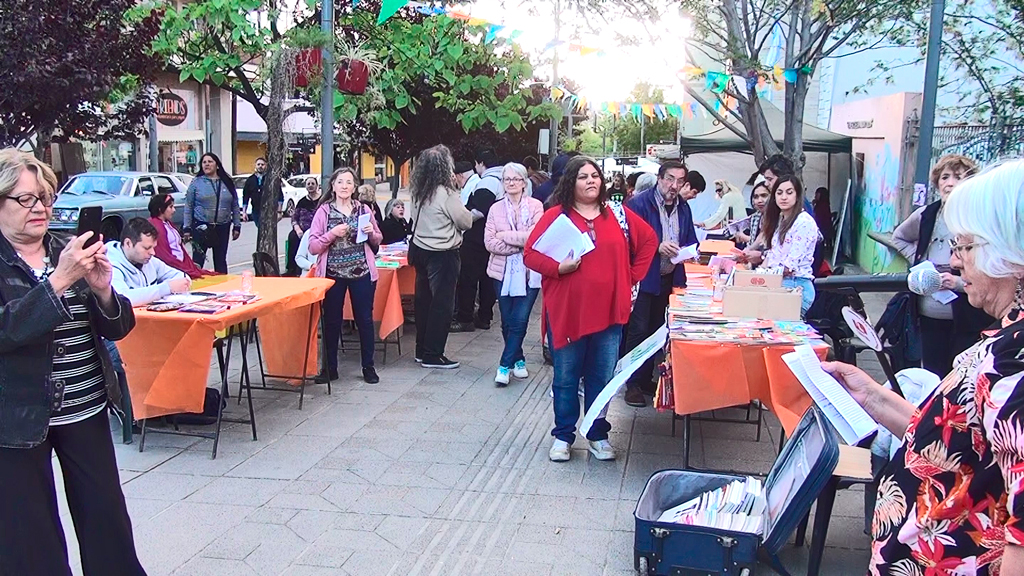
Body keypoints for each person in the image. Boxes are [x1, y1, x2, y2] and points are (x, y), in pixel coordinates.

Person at [822, 159, 1024, 575]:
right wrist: (872, 395)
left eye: (966, 246)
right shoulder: (1007, 337)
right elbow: (956, 444)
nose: (954, 262)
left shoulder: (1014, 364)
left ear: (1010, 253)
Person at [0, 149, 144, 575]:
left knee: (107, 521)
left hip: (85, 408)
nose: (40, 208)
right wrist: (59, 281)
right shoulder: (61, 265)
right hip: (17, 420)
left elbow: (116, 328)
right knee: (31, 536)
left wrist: (102, 291)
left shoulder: (68, 250)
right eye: (25, 199)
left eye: (44, 197)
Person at [524, 156, 657, 462]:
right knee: (566, 377)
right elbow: (531, 254)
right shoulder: (556, 216)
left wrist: (630, 277)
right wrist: (559, 267)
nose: (591, 181)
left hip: (610, 313)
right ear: (571, 182)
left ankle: (597, 434)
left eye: (595, 175)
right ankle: (563, 436)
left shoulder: (618, 214)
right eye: (583, 176)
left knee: (601, 376)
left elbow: (649, 240)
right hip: (568, 312)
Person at [892, 153, 991, 376]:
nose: (950, 183)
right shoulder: (927, 214)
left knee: (963, 375)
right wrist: (921, 263)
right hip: (930, 311)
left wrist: (957, 281)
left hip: (969, 314)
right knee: (933, 374)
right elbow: (899, 237)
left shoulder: (977, 217)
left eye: (957, 177)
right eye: (945, 177)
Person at [621, 163, 703, 407]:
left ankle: (645, 377)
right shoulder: (639, 204)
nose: (674, 186)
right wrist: (656, 247)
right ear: (659, 178)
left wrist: (690, 251)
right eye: (669, 179)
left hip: (669, 278)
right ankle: (631, 382)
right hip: (644, 278)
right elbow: (626, 241)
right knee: (638, 331)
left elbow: (690, 238)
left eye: (679, 181)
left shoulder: (684, 207)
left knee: (658, 331)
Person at [308, 167, 383, 384]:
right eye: (340, 182)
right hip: (333, 274)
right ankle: (329, 368)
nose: (344, 186)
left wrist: (371, 233)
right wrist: (331, 234)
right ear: (333, 185)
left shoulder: (364, 210)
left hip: (361, 272)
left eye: (349, 182)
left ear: (354, 187)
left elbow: (378, 239)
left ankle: (368, 367)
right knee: (331, 321)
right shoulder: (324, 211)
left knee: (365, 320)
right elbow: (313, 246)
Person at [409, 145, 473, 369]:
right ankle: (433, 354)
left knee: (423, 302)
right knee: (442, 305)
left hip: (420, 250)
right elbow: (465, 221)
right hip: (443, 254)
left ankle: (421, 349)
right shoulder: (446, 193)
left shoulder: (418, 191)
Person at [484, 162, 544, 387]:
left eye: (515, 179)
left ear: (524, 182)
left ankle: (504, 366)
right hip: (500, 273)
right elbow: (489, 242)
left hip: (529, 273)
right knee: (507, 321)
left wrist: (506, 235)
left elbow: (536, 238)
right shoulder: (495, 208)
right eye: (506, 179)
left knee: (519, 320)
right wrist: (519, 243)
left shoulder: (536, 206)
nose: (511, 183)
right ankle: (518, 359)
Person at [452, 149, 501, 332]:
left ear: (480, 163)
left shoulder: (487, 182)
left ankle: (465, 318)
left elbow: (478, 210)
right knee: (487, 278)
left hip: (476, 239)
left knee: (468, 278)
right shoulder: (504, 179)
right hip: (492, 237)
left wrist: (463, 221)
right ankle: (485, 317)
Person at [759, 176, 820, 316]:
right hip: (778, 283)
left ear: (798, 195)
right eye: (779, 193)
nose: (784, 197)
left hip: (795, 285)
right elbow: (772, 254)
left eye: (789, 192)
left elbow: (789, 266)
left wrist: (765, 275)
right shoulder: (781, 220)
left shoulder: (804, 222)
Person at [108, 218, 191, 306]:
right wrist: (165, 288)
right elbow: (122, 299)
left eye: (153, 247)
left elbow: (183, 277)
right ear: (128, 243)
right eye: (147, 248)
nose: (153, 252)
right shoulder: (110, 266)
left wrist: (174, 286)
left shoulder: (150, 261)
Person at [183, 152, 240, 274]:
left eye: (210, 162)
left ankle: (223, 286)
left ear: (217, 165)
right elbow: (188, 206)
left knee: (220, 260)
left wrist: (237, 225)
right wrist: (187, 228)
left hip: (222, 226)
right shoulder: (196, 183)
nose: (207, 164)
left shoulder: (227, 182)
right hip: (201, 226)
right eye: (204, 162)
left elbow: (235, 205)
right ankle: (195, 286)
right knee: (198, 260)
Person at [147, 193, 215, 279]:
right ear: (161, 209)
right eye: (171, 207)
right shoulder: (156, 227)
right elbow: (164, 256)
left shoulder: (168, 224)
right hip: (173, 269)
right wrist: (183, 267)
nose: (174, 210)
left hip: (180, 265)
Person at [285, 176, 322, 276]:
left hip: (315, 230)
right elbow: (294, 218)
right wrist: (297, 229)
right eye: (308, 184)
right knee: (292, 237)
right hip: (302, 230)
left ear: (317, 186)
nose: (310, 186)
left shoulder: (322, 201)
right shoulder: (302, 201)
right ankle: (291, 269)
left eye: (312, 184)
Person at [734, 182, 770, 248]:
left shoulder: (779, 218)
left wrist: (744, 237)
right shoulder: (755, 217)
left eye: (764, 195)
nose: (759, 200)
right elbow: (752, 243)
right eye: (756, 197)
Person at [242, 157, 268, 227]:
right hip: (256, 210)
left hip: (268, 209)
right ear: (255, 166)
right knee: (260, 228)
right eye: (258, 164)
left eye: (262, 164)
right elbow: (245, 196)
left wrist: (279, 211)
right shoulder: (250, 180)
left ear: (266, 166)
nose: (260, 166)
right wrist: (244, 212)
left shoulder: (269, 179)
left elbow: (279, 195)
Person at [812, 186, 834, 251]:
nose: (815, 196)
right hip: (824, 227)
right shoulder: (821, 204)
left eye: (817, 194)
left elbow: (818, 218)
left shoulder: (822, 206)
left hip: (823, 228)